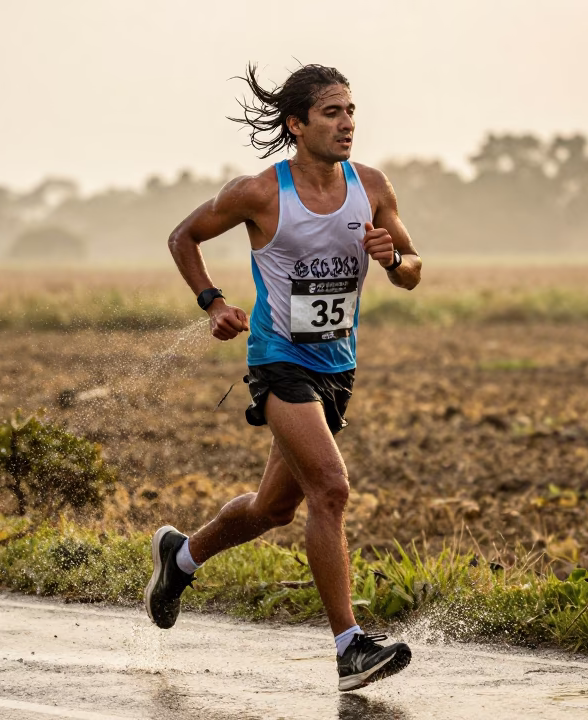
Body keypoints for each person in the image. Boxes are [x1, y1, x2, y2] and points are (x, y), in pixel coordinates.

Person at [147, 63, 422, 692]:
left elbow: (412, 267)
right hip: (279, 363)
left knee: (274, 508)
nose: (347, 123)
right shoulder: (259, 193)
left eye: (351, 110)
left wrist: (395, 260)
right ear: (296, 124)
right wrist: (213, 303)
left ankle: (180, 558)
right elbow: (183, 236)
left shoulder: (372, 185)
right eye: (331, 113)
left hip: (337, 368)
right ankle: (350, 646)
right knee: (330, 489)